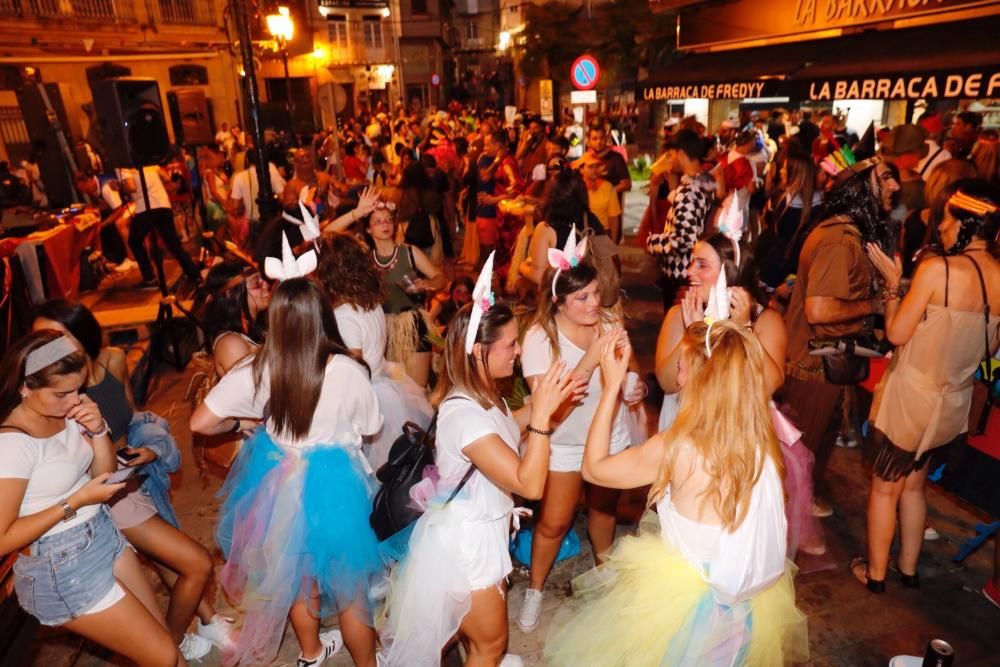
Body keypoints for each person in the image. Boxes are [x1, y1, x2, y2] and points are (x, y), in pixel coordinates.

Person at [544, 321, 808, 666]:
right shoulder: (757, 439)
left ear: (699, 378)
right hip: (743, 610)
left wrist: (611, 389)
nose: (675, 373)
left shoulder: (678, 448)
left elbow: (595, 469)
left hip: (686, 607)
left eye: (681, 365)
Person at [380, 255, 585, 666]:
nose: (519, 352)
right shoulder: (465, 413)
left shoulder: (485, 392)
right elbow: (529, 485)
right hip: (468, 547)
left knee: (465, 636)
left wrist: (547, 409)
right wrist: (543, 420)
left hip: (480, 532)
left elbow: (508, 427)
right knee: (490, 645)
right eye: (511, 344)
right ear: (479, 351)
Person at [190, 277, 384, 667]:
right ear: (323, 317)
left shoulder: (257, 367)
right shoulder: (347, 369)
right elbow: (371, 426)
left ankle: (310, 654)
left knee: (296, 574)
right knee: (351, 590)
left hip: (278, 483)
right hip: (336, 489)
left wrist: (241, 425)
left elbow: (199, 423)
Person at [31, 301, 234, 660]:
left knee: (166, 557)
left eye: (57, 337)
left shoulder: (112, 359)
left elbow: (130, 417)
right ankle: (167, 644)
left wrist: (151, 448)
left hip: (134, 473)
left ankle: (203, 620)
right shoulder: (53, 395)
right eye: (39, 340)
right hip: (105, 495)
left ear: (82, 334)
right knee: (195, 562)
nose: (46, 350)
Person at [0, 331, 185, 666]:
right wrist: (77, 500)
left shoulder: (68, 413)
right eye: (61, 393)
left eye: (78, 389)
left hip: (103, 535)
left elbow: (103, 471)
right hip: (61, 566)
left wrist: (99, 431)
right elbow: (2, 540)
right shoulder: (12, 446)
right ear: (25, 386)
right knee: (163, 655)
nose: (73, 400)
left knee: (163, 646)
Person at [855, 181, 1000, 593]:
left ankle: (876, 575)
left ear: (968, 222)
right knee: (916, 486)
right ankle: (909, 570)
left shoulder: (939, 269)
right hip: (952, 404)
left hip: (911, 399)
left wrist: (890, 285)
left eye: (948, 218)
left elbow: (897, 334)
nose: (940, 227)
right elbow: (990, 345)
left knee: (885, 490)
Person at [517, 234, 646, 634]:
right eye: (583, 299)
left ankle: (603, 573)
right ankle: (535, 589)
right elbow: (548, 409)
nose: (595, 304)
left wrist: (634, 383)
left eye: (595, 294)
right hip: (564, 445)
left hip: (609, 436)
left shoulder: (607, 320)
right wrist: (590, 361)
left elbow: (629, 365)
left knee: (603, 513)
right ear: (558, 301)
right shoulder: (540, 338)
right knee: (554, 523)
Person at [781, 157, 899, 516]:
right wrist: (879, 301)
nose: (894, 186)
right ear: (859, 188)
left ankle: (799, 502)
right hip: (814, 365)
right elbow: (819, 310)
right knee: (800, 451)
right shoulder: (838, 240)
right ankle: (788, 522)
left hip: (826, 361)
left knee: (810, 448)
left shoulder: (846, 234)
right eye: (885, 179)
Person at [317, 232, 433, 471]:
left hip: (367, 398)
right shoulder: (370, 304)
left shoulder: (345, 316)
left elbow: (353, 373)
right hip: (384, 385)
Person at [366, 200, 446, 388]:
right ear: (368, 230)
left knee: (416, 390)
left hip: (412, 327)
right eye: (378, 221)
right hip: (380, 329)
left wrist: (428, 283)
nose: (385, 224)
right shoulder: (365, 260)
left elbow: (441, 277)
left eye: (388, 220)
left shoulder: (409, 252)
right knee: (388, 390)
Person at [646, 129, 716, 310]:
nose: (669, 159)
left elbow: (684, 239)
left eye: (671, 155)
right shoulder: (705, 181)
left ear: (682, 154)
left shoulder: (688, 191)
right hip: (689, 268)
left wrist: (653, 242)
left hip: (681, 272)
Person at [119, 165, 202, 289]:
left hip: (145, 209)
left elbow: (131, 187)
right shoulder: (151, 165)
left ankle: (149, 278)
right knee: (174, 244)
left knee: (134, 242)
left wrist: (120, 186)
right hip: (163, 205)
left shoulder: (125, 169)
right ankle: (194, 274)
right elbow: (166, 178)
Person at [475, 130, 522, 263]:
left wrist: (493, 200)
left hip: (507, 218)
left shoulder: (507, 162)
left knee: (500, 256)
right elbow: (484, 177)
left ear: (498, 145)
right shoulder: (494, 160)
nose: (485, 148)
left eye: (488, 145)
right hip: (498, 215)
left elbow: (516, 190)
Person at [577, 152, 622, 244]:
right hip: (579, 234)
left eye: (597, 166)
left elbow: (614, 218)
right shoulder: (575, 187)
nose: (594, 170)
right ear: (581, 169)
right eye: (590, 167)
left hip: (602, 234)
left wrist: (612, 244)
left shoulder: (608, 187)